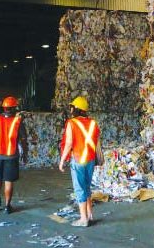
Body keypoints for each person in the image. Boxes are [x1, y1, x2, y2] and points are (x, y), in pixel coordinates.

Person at [59, 96, 103, 227]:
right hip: (90, 160)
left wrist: (62, 161)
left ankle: (83, 219)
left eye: (72, 107)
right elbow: (97, 142)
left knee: (80, 190)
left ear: (76, 109)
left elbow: (68, 143)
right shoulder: (93, 123)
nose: (71, 109)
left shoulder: (71, 123)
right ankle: (90, 215)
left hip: (78, 160)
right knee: (87, 187)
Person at [0, 96, 28, 214]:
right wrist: (25, 154)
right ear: (14, 108)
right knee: (8, 181)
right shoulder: (18, 121)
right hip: (11, 155)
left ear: (3, 107)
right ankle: (7, 206)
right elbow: (23, 140)